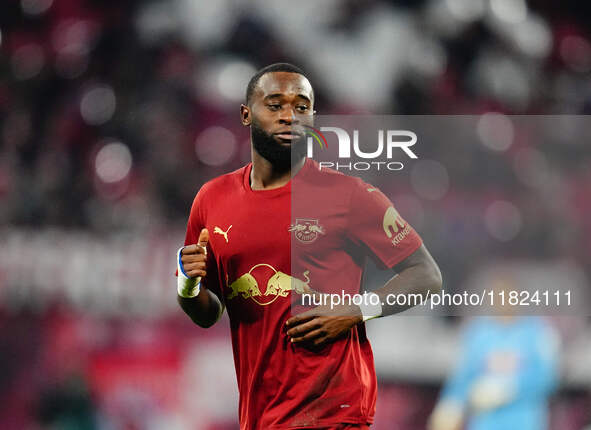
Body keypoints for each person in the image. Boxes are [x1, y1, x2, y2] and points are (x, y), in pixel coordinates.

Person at [176, 63, 442, 430]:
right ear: (246, 114)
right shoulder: (212, 200)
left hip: (335, 412)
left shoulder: (350, 196)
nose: (290, 116)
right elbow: (208, 313)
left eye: (301, 107)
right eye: (275, 105)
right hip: (260, 414)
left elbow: (426, 275)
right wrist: (187, 284)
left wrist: (353, 312)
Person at [428, 316, 560, 430]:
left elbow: (548, 377)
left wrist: (510, 389)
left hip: (524, 422)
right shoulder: (478, 332)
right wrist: (451, 404)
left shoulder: (536, 332)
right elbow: (463, 376)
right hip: (485, 422)